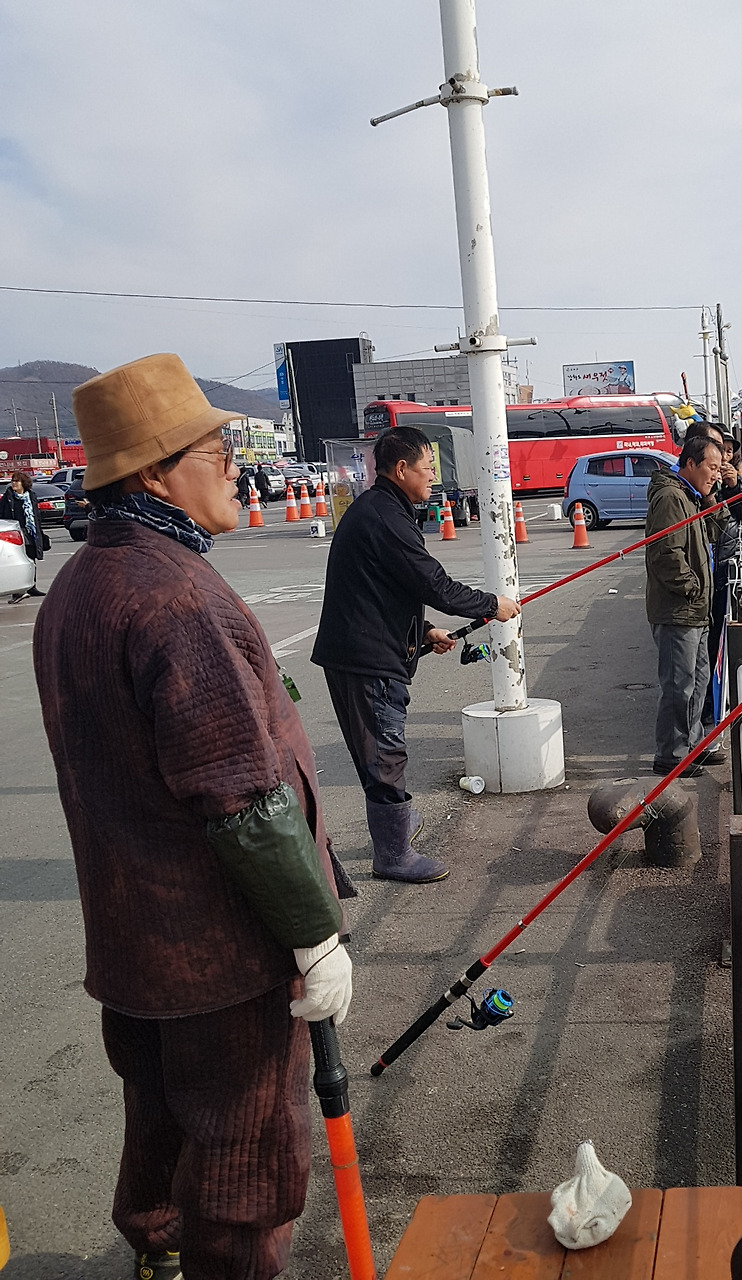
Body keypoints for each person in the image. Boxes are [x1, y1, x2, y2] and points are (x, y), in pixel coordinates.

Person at [32, 353, 351, 1280]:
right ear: (153, 475)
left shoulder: (80, 586)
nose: (236, 471)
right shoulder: (175, 596)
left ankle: (158, 1254)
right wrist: (314, 936)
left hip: (132, 944)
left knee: (162, 1125)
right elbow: (242, 799)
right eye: (216, 453)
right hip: (220, 955)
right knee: (249, 1162)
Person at [311, 424, 519, 883]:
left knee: (378, 752)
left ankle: (396, 829)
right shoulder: (385, 516)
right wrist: (492, 605)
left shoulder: (379, 509)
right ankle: (393, 854)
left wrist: (423, 632)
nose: (432, 477)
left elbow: (379, 590)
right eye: (427, 468)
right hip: (367, 661)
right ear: (401, 469)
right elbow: (432, 583)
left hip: (359, 650)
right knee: (384, 755)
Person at [644, 433, 725, 777]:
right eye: (712, 467)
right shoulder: (671, 498)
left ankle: (691, 746)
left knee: (698, 680)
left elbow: (717, 531)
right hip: (679, 610)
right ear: (690, 463)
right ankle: (671, 755)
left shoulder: (691, 496)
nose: (717, 474)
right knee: (679, 686)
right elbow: (666, 554)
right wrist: (692, 588)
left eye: (720, 468)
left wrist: (711, 497)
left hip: (696, 610)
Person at [701, 439, 742, 735]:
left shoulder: (736, 481)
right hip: (711, 572)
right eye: (719, 451)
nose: (724, 458)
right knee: (709, 645)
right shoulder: (701, 486)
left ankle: (716, 707)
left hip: (729, 568)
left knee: (720, 643)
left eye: (728, 451)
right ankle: (708, 711)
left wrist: (735, 487)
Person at [0, 469, 48, 601]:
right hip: (15, 532)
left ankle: (32, 586)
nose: (14, 484)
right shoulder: (8, 497)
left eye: (17, 481)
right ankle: (18, 590)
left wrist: (39, 531)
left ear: (23, 483)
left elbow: (36, 515)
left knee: (31, 558)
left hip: (30, 531)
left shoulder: (31, 496)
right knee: (18, 559)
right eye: (13, 481)